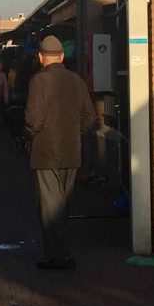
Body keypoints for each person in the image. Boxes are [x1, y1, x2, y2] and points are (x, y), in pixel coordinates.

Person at [25, 35, 96, 271]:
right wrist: (76, 132)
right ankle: (62, 252)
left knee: (49, 206)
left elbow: (33, 120)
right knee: (63, 205)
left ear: (40, 57)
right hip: (71, 151)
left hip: (45, 152)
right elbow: (90, 117)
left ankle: (59, 256)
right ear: (62, 56)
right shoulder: (77, 81)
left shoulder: (39, 81)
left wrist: (29, 134)